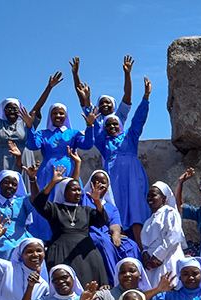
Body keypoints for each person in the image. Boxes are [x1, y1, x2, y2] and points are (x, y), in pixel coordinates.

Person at [27, 164, 109, 287]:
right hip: (61, 252)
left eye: (79, 190)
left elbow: (101, 220)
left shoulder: (86, 210)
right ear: (64, 192)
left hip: (85, 254)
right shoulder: (55, 209)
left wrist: (97, 201)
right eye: (74, 190)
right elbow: (38, 203)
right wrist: (53, 183)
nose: (78, 193)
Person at [91, 76, 152, 237]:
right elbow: (93, 126)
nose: (112, 126)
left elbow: (138, 120)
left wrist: (146, 97)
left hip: (133, 174)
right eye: (109, 125)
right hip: (113, 178)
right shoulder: (104, 143)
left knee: (136, 206)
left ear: (120, 125)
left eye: (115, 124)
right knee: (117, 205)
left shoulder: (130, 136)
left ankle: (140, 246)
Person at [0, 68, 55, 171]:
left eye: (15, 109)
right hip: (0, 159)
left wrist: (49, 87)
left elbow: (37, 107)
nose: (12, 111)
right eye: (9, 109)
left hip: (24, 159)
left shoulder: (26, 123)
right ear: (4, 111)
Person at [81, 170, 141, 285]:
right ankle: (113, 280)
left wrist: (116, 234)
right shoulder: (85, 199)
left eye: (103, 183)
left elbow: (115, 223)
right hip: (91, 233)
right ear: (90, 184)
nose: (99, 185)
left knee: (131, 245)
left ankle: (134, 281)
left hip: (107, 234)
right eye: (95, 182)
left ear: (108, 186)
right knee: (104, 243)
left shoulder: (111, 207)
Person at [23, 97, 93, 191]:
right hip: (47, 172)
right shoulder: (43, 134)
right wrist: (29, 127)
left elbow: (87, 145)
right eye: (54, 113)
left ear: (66, 116)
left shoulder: (73, 133)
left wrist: (89, 127)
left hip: (68, 171)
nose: (58, 115)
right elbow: (32, 146)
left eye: (61, 113)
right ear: (50, 116)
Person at [140, 182, 186, 289]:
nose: (150, 198)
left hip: (167, 258)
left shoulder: (170, 212)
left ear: (164, 198)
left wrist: (158, 256)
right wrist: (145, 253)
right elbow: (146, 243)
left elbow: (173, 237)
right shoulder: (148, 220)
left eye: (154, 195)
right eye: (148, 196)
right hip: (152, 265)